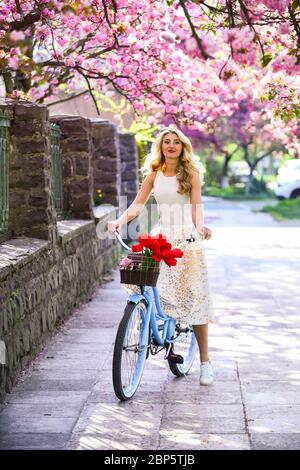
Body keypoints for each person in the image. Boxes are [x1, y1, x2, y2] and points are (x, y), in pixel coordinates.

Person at [107, 125, 215, 386]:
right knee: (155, 287)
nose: (171, 145)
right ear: (161, 146)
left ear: (182, 147)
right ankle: (157, 328)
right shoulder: (154, 176)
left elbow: (196, 208)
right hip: (163, 237)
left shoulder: (191, 173)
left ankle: (205, 362)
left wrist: (200, 228)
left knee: (195, 299)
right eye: (166, 141)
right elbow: (137, 205)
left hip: (187, 240)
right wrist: (119, 221)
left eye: (176, 142)